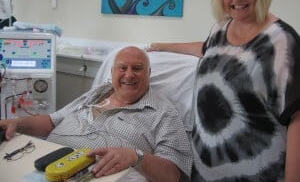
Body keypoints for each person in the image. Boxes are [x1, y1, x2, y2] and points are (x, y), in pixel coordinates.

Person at [146, 0, 300, 182]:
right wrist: (165, 46)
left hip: (258, 173)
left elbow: (297, 118)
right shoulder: (220, 28)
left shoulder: (282, 41)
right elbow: (207, 50)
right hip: (203, 170)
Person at [0, 46, 193, 182]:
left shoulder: (164, 113)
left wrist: (137, 157)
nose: (129, 74)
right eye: (122, 68)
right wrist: (16, 123)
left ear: (149, 73)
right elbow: (52, 121)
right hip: (42, 167)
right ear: (112, 71)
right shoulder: (97, 93)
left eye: (138, 69)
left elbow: (173, 175)